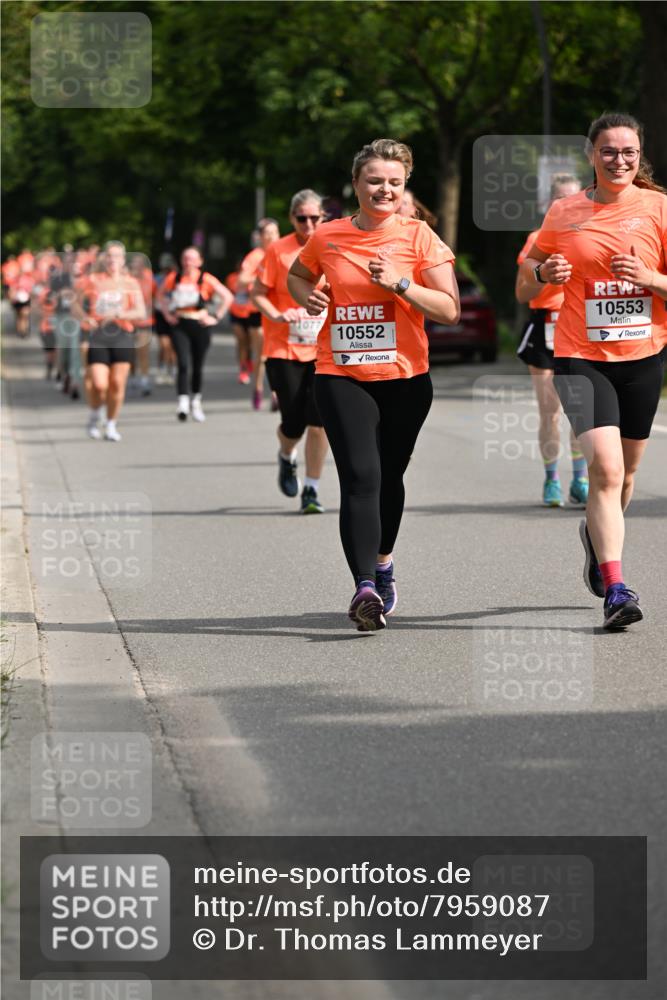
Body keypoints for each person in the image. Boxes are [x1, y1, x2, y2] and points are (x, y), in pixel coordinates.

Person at [288, 138, 460, 630]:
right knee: (361, 478)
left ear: (404, 185)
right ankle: (364, 586)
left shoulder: (420, 236)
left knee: (390, 477)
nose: (383, 189)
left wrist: (402, 284)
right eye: (374, 181)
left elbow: (449, 310)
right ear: (356, 184)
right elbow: (298, 276)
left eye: (393, 182)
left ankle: (383, 561)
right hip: (341, 373)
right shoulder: (329, 236)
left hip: (406, 378)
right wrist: (308, 298)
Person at [521, 111, 667, 629]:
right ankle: (617, 588)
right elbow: (524, 286)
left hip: (645, 357)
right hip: (580, 357)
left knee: (625, 476)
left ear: (639, 154)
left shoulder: (658, 207)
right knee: (604, 471)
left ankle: (595, 536)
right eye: (609, 151)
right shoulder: (564, 212)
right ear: (591, 154)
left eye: (628, 151)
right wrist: (542, 273)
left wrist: (651, 277)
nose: (619, 159)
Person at [251, 190, 329, 513]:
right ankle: (286, 455)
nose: (309, 224)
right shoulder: (277, 250)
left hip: (323, 349)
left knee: (319, 419)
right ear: (292, 218)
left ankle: (311, 489)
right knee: (293, 421)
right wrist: (277, 314)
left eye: (315, 218)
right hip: (284, 346)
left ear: (323, 217)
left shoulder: (331, 245)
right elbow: (258, 294)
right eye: (302, 218)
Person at [515, 174, 590, 507]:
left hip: (581, 328)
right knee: (551, 411)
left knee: (581, 411)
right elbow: (522, 292)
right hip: (546, 327)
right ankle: (552, 481)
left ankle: (581, 478)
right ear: (548, 204)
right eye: (560, 199)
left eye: (573, 198)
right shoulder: (536, 240)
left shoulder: (594, 235)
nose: (567, 205)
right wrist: (545, 275)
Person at [158, 246, 233, 422]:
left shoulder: (205, 279)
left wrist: (216, 316)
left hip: (200, 323)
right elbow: (160, 295)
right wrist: (167, 314)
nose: (188, 262)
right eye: (185, 258)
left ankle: (196, 401)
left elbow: (227, 296)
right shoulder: (174, 278)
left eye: (192, 259)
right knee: (183, 363)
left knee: (197, 365)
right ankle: (182, 401)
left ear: (199, 261)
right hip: (180, 324)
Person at [81, 241, 146, 441]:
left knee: (117, 383)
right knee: (100, 384)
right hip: (99, 334)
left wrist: (121, 312)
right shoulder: (93, 280)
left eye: (117, 256)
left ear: (123, 259)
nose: (113, 260)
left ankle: (111, 424)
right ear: (104, 259)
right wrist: (85, 317)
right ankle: (94, 415)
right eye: (109, 256)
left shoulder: (130, 283)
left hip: (122, 333)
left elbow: (141, 311)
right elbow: (75, 304)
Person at [236, 219, 280, 409]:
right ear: (260, 237)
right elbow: (241, 280)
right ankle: (258, 387)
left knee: (278, 355)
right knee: (262, 355)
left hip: (280, 311)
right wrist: (263, 277)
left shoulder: (283, 252)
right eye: (267, 233)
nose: (271, 236)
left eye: (274, 232)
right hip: (258, 312)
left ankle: (276, 394)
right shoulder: (256, 256)